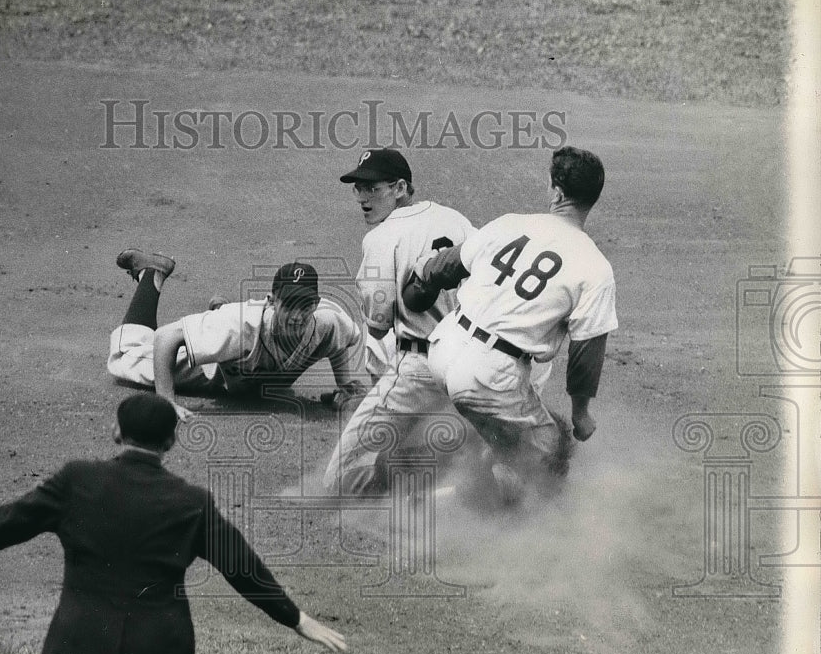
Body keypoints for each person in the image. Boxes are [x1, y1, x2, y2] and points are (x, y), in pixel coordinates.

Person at [0, 393, 347, 654]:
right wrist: (295, 618)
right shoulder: (191, 501)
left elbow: (1, 526)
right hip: (161, 647)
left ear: (116, 432)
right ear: (170, 443)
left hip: (81, 640)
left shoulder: (76, 481)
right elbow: (243, 567)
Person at [404, 146, 617, 498]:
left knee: (505, 442)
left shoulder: (510, 223)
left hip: (443, 349)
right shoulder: (595, 267)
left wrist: (421, 282)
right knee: (553, 447)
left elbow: (447, 266)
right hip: (490, 374)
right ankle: (535, 531)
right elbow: (586, 354)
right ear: (592, 198)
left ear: (556, 191)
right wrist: (581, 413)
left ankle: (437, 500)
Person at [320, 148, 477, 495]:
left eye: (372, 188)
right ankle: (457, 489)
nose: (362, 198)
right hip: (471, 363)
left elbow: (377, 325)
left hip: (419, 368)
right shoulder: (459, 220)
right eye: (357, 188)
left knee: (336, 483)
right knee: (460, 445)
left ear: (400, 188)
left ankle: (416, 501)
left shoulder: (380, 238)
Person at [107, 253, 368, 421]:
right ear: (272, 301)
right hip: (209, 370)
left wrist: (343, 386)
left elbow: (337, 340)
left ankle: (218, 311)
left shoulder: (328, 319)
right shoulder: (243, 324)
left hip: (240, 356)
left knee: (233, 336)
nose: (298, 315)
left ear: (317, 303)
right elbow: (166, 337)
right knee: (125, 355)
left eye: (306, 305)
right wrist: (166, 401)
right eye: (290, 305)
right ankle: (152, 272)